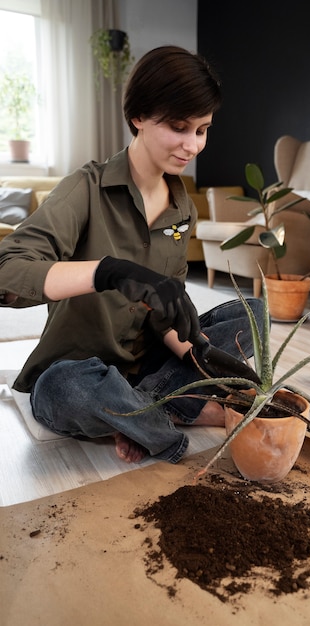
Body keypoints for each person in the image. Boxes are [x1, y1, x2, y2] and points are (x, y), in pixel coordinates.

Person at [0, 45, 263, 465]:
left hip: (148, 367)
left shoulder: (184, 210)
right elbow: (7, 270)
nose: (192, 145)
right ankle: (176, 413)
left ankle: (141, 412)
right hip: (76, 372)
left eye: (202, 129)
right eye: (179, 127)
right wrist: (109, 272)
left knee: (256, 314)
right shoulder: (84, 188)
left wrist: (197, 351)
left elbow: (167, 314)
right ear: (138, 116)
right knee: (64, 390)